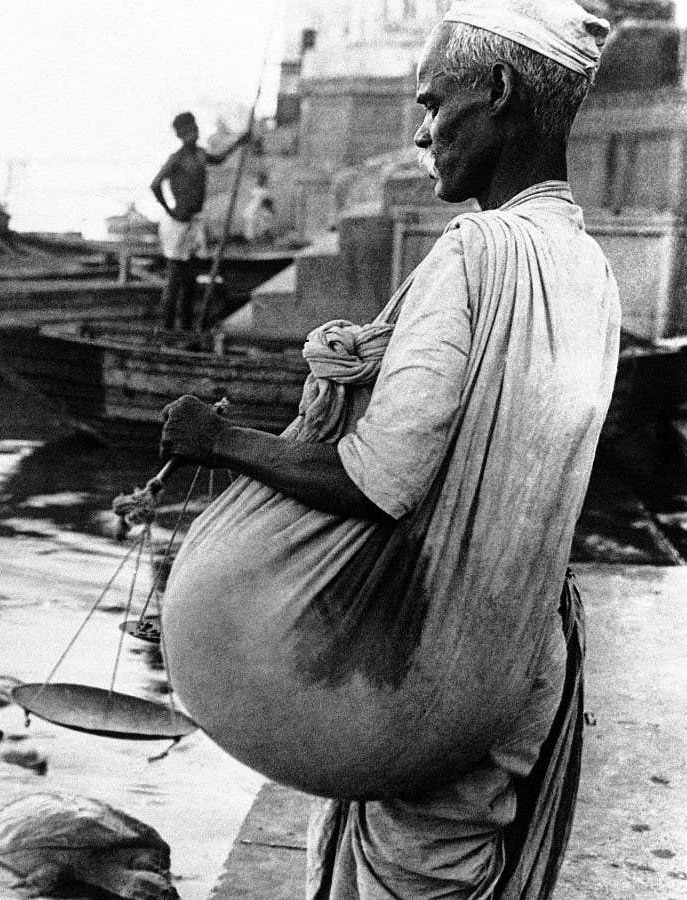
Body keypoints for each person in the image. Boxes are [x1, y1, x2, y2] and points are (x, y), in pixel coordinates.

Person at [159, 2, 614, 898]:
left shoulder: (476, 255)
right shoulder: (586, 265)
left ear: (499, 90)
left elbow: (381, 481)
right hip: (523, 655)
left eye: (432, 102)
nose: (421, 132)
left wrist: (223, 442)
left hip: (434, 662)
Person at [148, 111, 249, 328]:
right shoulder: (177, 159)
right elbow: (155, 185)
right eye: (188, 131)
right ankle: (167, 330)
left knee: (190, 282)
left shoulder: (201, 155)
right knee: (175, 281)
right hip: (178, 224)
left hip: (194, 224)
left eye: (194, 129)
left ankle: (185, 329)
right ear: (180, 135)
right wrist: (170, 210)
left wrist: (239, 142)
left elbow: (220, 158)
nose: (193, 134)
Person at [241, 171, 278, 243]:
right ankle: (256, 239)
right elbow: (267, 202)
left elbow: (265, 201)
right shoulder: (263, 191)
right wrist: (272, 210)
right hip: (256, 210)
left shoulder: (254, 190)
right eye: (266, 180)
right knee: (260, 222)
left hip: (252, 209)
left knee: (254, 224)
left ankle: (254, 239)